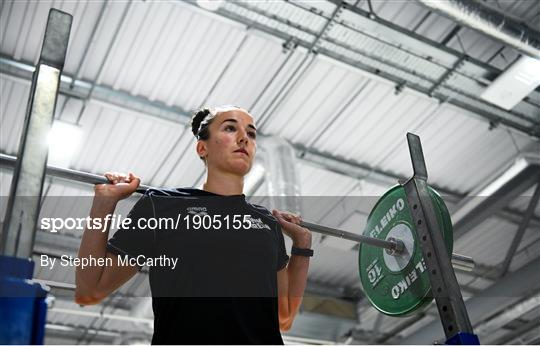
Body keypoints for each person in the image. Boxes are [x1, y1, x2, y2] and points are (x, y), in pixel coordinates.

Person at [75, 105, 312, 344]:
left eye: (251, 133)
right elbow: (90, 290)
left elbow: (284, 317)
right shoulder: (162, 207)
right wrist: (104, 203)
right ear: (202, 147)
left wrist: (302, 245)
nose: (244, 138)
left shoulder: (266, 223)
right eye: (230, 128)